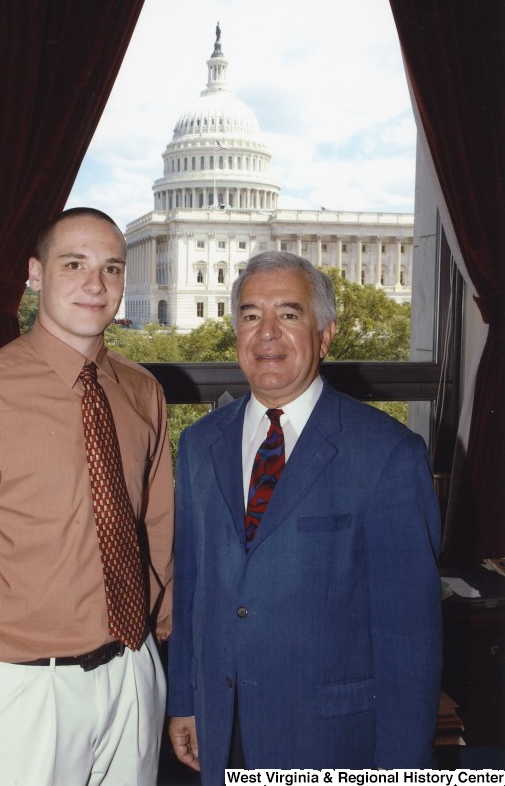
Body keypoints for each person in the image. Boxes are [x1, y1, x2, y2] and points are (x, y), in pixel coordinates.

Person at [0, 207, 173, 786]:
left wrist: (168, 653)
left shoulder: (142, 391)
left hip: (133, 678)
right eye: (74, 264)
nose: (95, 285)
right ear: (36, 273)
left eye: (112, 268)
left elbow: (158, 530)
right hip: (22, 696)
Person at [167, 251, 442, 783]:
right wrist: (184, 698)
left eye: (289, 315)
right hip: (223, 734)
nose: (266, 333)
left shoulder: (387, 453)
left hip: (333, 743)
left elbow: (410, 639)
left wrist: (405, 769)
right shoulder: (200, 444)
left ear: (325, 335)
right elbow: (192, 588)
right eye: (250, 316)